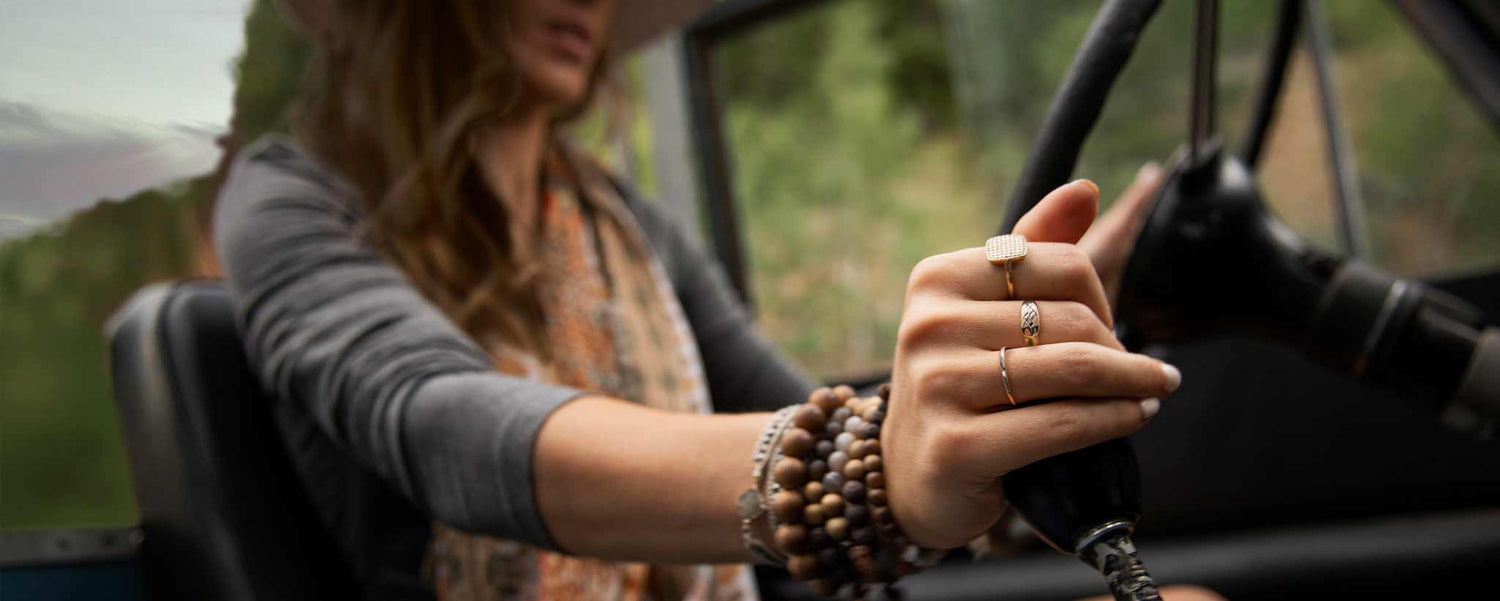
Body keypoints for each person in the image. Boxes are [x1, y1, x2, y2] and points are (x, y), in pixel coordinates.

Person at [215, 0, 1216, 599]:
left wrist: (1010, 386)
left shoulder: (622, 224)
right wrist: (873, 466)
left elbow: (791, 400)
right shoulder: (293, 197)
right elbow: (444, 427)